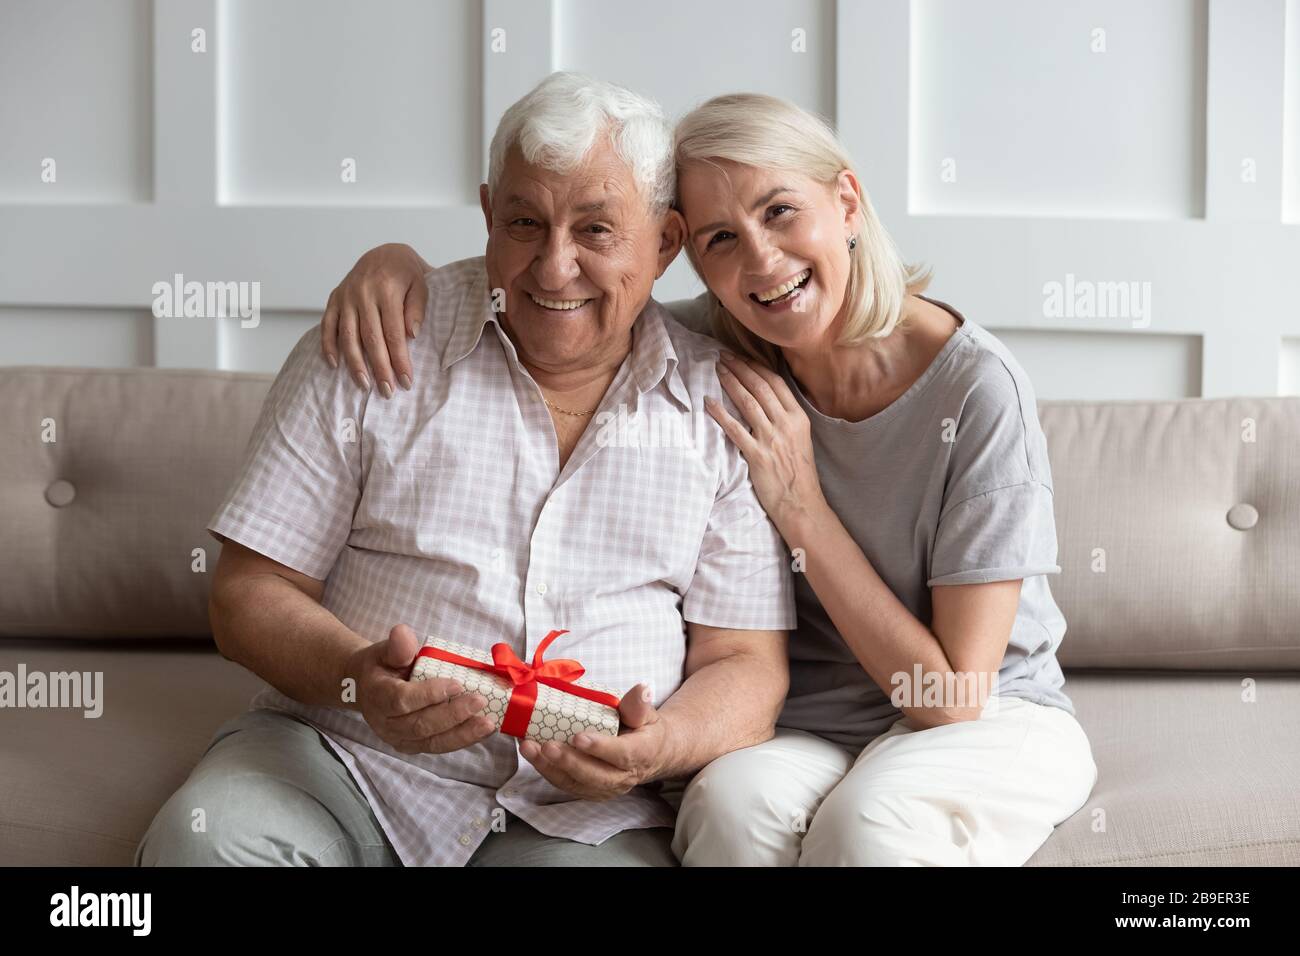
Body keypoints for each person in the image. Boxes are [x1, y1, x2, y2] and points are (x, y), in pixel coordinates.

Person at [319, 82, 1098, 867]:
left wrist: (804, 511)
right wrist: (396, 265)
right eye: (721, 239)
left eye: (780, 211)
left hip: (985, 718)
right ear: (681, 254)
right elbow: (575, 299)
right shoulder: (714, 350)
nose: (762, 260)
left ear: (849, 203)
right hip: (813, 726)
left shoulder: (976, 390)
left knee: (868, 827)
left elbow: (955, 697)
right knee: (724, 810)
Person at [135, 73, 796, 868]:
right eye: (525, 222)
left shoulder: (720, 407)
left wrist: (663, 747)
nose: (554, 268)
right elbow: (248, 594)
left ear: (663, 243)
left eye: (595, 230)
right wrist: (356, 677)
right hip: (344, 759)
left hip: (580, 815)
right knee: (207, 844)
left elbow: (745, 663)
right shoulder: (377, 342)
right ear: (488, 216)